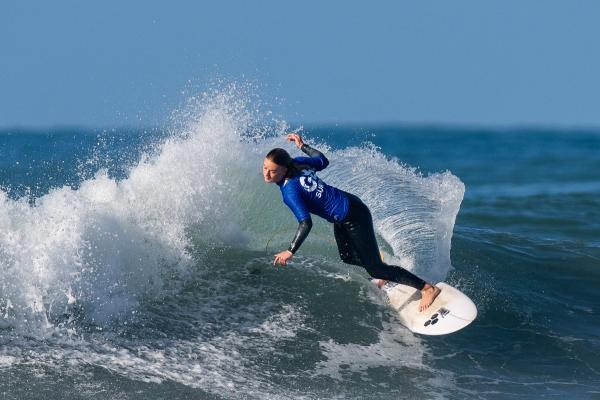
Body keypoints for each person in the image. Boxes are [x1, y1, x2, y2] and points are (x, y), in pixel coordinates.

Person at [263, 133, 441, 312]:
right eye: (264, 168)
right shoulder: (298, 162)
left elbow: (305, 223)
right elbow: (323, 160)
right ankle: (384, 271)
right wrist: (303, 146)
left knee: (375, 270)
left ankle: (427, 288)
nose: (267, 174)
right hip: (348, 208)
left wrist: (290, 250)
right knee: (347, 256)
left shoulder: (289, 192)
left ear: (284, 169)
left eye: (272, 171)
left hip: (353, 216)